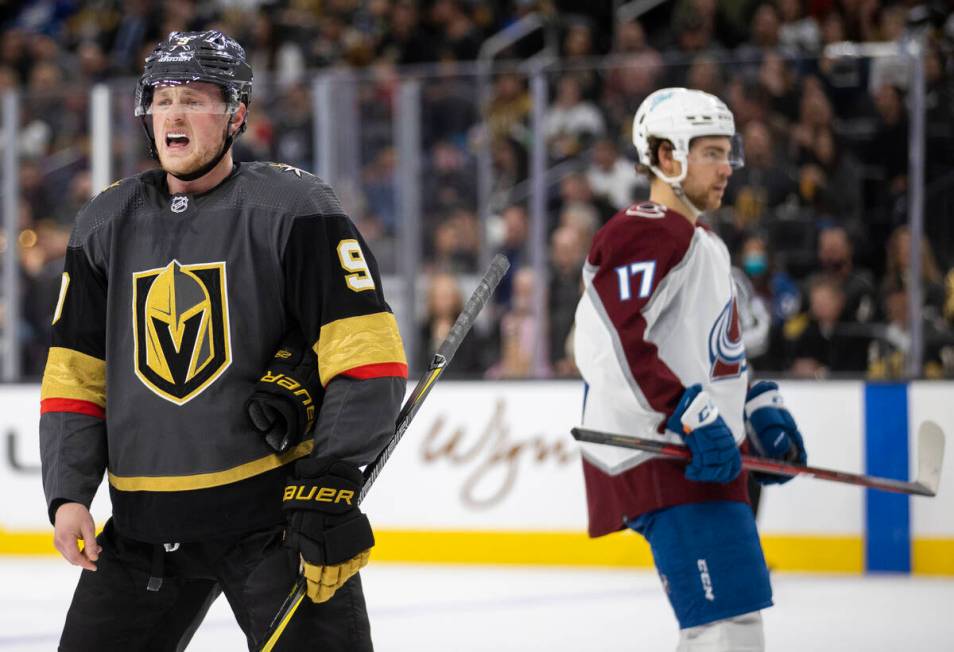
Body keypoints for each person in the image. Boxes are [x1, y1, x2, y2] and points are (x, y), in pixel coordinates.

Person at [39, 30, 407, 651]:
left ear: (237, 114)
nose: (174, 114)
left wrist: (333, 478)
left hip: (270, 522)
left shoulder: (295, 207)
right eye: (162, 100)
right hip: (141, 529)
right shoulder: (104, 221)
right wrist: (68, 493)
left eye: (196, 99)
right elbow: (77, 371)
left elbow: (365, 352)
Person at [573, 87, 807, 651]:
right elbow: (607, 340)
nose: (727, 167)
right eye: (710, 152)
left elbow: (711, 355)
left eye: (729, 152)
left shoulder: (701, 241)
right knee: (720, 626)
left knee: (735, 620)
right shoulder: (647, 228)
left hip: (702, 455)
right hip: (667, 454)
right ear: (666, 156)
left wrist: (752, 407)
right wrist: (687, 412)